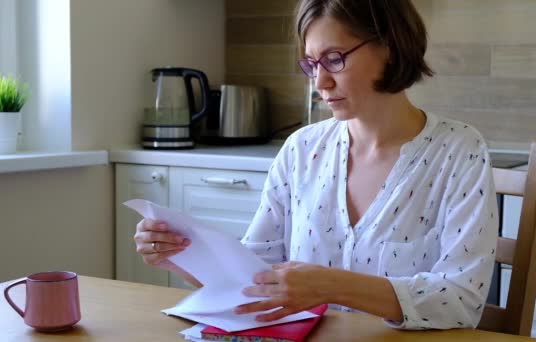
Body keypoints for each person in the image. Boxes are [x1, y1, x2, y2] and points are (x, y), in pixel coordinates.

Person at [133, 0, 498, 330]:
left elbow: (460, 300)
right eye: (311, 64)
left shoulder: (459, 151)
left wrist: (331, 285)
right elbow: (256, 274)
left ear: (390, 47)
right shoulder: (301, 149)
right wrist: (181, 257)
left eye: (335, 58)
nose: (320, 82)